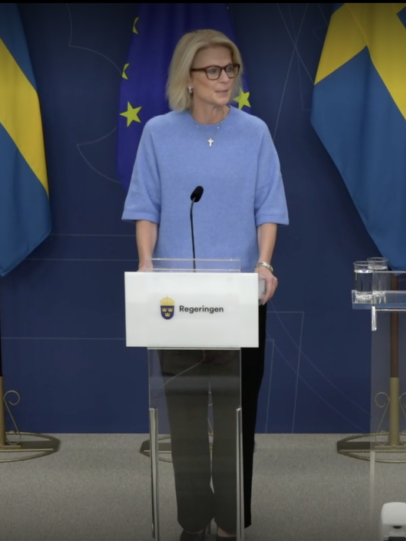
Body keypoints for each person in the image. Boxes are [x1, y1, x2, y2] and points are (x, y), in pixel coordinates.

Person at [121, 29, 289, 541]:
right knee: (188, 419)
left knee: (239, 416)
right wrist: (146, 266)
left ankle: (231, 520)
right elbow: (146, 207)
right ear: (188, 80)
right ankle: (193, 521)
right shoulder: (159, 133)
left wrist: (264, 265)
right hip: (176, 302)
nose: (224, 79)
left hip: (240, 299)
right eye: (212, 71)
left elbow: (269, 208)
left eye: (230, 69)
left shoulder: (255, 132)